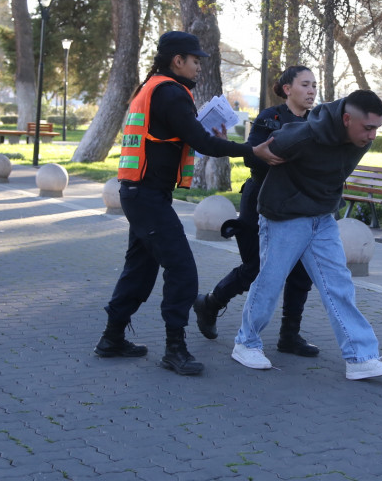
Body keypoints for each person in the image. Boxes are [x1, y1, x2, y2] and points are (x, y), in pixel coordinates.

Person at [93, 31, 281, 376]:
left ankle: (112, 338)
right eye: (195, 60)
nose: (198, 67)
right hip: (146, 196)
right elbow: (198, 141)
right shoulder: (170, 93)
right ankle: (174, 349)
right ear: (177, 60)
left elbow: (185, 137)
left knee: (140, 268)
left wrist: (213, 138)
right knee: (181, 270)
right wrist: (250, 151)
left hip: (140, 192)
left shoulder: (151, 87)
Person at [231, 89, 382, 381]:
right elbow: (260, 153)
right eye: (368, 128)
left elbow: (336, 172)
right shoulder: (305, 135)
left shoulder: (359, 138)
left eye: (376, 128)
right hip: (284, 215)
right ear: (347, 119)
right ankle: (245, 343)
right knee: (270, 282)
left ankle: (360, 357)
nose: (372, 136)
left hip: (321, 218)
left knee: (339, 285)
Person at [194, 67, 321, 357]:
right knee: (256, 268)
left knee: (301, 271)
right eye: (305, 84)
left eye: (314, 85)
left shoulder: (317, 120)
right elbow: (256, 157)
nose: (312, 90)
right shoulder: (270, 118)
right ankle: (210, 303)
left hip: (298, 203)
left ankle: (290, 335)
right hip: (261, 201)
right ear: (288, 88)